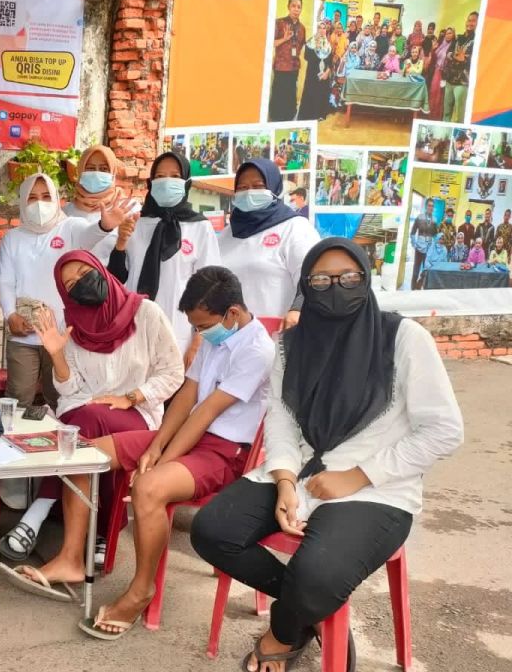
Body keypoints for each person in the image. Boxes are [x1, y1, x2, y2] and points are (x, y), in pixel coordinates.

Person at [190, 238, 463, 672]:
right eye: (321, 279)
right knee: (211, 529)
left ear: (366, 278)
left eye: (349, 277)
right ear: (306, 286)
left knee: (316, 574)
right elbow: (280, 419)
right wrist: (282, 480)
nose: (336, 287)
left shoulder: (404, 338)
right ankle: (310, 608)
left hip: (377, 489)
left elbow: (444, 430)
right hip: (296, 469)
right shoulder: (289, 345)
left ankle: (285, 629)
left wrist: (358, 474)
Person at [79, 267, 273, 638]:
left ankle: (140, 591)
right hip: (190, 434)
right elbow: (186, 396)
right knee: (88, 454)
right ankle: (73, 557)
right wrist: (154, 446)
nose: (199, 334)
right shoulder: (216, 337)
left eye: (203, 325)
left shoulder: (258, 350)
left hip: (225, 451)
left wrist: (161, 459)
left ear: (232, 313)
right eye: (196, 327)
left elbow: (207, 411)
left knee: (149, 488)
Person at [0, 251, 183, 573]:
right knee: (84, 422)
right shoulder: (74, 327)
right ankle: (96, 536)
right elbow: (71, 391)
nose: (80, 284)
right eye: (70, 284)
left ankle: (41, 516)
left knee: (80, 425)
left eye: (84, 272)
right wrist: (56, 355)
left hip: (139, 416)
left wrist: (132, 396)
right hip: (87, 414)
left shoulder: (146, 313)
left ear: (100, 270)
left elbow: (173, 372)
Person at [0, 173, 131, 410]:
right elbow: (6, 281)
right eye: (32, 197)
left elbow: (89, 235)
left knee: (61, 397)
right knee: (18, 396)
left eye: (46, 196)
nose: (40, 203)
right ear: (22, 201)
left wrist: (105, 226)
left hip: (64, 336)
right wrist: (10, 315)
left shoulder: (70, 227)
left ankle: (59, 443)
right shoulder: (13, 238)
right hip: (23, 335)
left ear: (57, 199)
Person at [106, 153, 219, 366]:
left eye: (175, 175)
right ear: (150, 182)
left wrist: (198, 341)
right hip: (134, 328)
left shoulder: (199, 227)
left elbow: (210, 290)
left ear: (186, 183)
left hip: (179, 331)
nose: (167, 181)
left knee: (174, 394)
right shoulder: (135, 222)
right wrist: (121, 241)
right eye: (159, 175)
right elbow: (116, 278)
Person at [218, 160, 320, 331]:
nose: (249, 192)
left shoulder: (294, 228)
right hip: (230, 340)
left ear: (275, 189)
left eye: (258, 186)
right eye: (242, 187)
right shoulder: (225, 236)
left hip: (276, 337)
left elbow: (313, 277)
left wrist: (297, 310)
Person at [63, 145, 123, 263]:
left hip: (114, 280)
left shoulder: (128, 209)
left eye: (104, 169)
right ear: (80, 172)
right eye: (90, 168)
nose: (96, 173)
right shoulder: (65, 213)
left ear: (113, 172)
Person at [269, 0, 306, 121]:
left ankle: (289, 118)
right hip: (281, 67)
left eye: (299, 7)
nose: (296, 9)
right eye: (293, 6)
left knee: (291, 95)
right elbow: (269, 43)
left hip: (294, 67)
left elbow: (301, 46)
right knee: (279, 96)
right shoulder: (279, 23)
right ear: (288, 7)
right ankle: (277, 119)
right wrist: (284, 39)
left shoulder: (302, 28)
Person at [443, 12, 479, 123]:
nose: (470, 23)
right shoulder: (458, 38)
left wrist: (465, 58)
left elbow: (476, 59)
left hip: (462, 82)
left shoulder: (478, 40)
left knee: (459, 115)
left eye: (473, 21)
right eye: (469, 20)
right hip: (450, 80)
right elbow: (448, 52)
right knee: (446, 112)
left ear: (478, 23)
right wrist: (454, 56)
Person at [296, 21, 333, 121]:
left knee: (321, 94)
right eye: (320, 28)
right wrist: (316, 47)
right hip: (312, 74)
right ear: (317, 29)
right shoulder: (311, 42)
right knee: (311, 93)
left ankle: (320, 115)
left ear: (326, 30)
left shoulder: (328, 45)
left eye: (324, 28)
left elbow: (330, 62)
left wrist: (326, 73)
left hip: (324, 75)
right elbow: (306, 57)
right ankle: (310, 116)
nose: (322, 30)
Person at [409, 197, 438, 289]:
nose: (431, 208)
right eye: (429, 205)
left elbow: (435, 234)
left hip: (429, 248)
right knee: (416, 269)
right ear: (426, 207)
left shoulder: (435, 220)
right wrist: (414, 244)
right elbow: (413, 232)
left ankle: (420, 285)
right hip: (419, 247)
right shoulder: (419, 217)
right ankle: (413, 288)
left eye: (432, 206)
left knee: (426, 269)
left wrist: (434, 245)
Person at [427, 26, 455, 121]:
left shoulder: (453, 46)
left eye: (450, 33)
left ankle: (437, 117)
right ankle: (430, 115)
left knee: (440, 96)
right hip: (436, 71)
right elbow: (434, 57)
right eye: (447, 33)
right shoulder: (440, 44)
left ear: (453, 34)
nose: (448, 35)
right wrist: (433, 49)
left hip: (444, 74)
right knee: (433, 92)